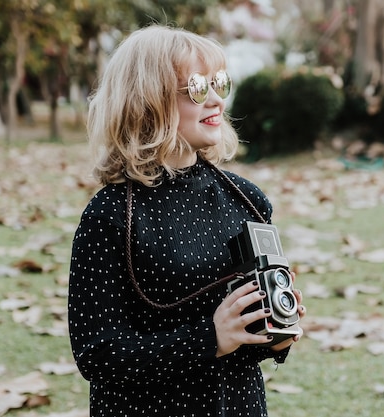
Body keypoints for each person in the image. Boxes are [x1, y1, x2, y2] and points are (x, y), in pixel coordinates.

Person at [67, 24, 305, 417]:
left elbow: (248, 338)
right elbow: (98, 355)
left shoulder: (246, 199)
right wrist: (209, 338)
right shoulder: (110, 215)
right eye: (197, 88)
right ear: (148, 101)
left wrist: (277, 334)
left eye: (219, 84)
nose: (215, 100)